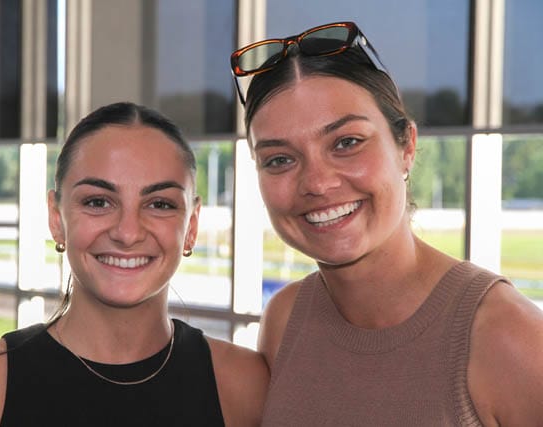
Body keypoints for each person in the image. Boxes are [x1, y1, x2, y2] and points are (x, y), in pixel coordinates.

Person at [230, 21, 543, 426]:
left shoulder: (508, 337)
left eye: (347, 143)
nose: (318, 183)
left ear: (406, 146)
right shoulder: (286, 318)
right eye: (279, 159)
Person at [0, 102, 269, 426]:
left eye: (160, 204)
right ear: (56, 219)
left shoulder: (245, 385)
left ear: (191, 226)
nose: (127, 233)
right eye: (98, 202)